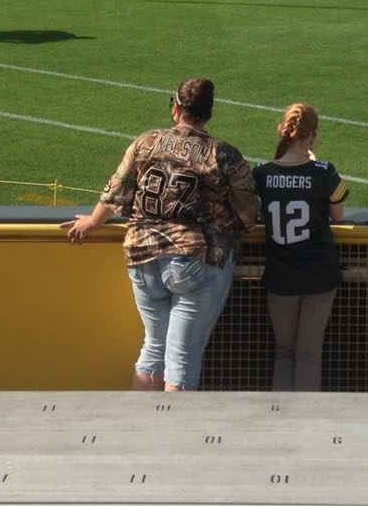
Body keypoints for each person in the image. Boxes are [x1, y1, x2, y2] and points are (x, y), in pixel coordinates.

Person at [62, 78, 259, 392]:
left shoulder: (146, 142)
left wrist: (93, 221)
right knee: (183, 357)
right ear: (208, 112)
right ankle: (172, 438)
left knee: (154, 347)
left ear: (176, 108)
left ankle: (140, 432)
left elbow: (116, 190)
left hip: (141, 254)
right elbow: (249, 214)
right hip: (195, 258)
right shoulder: (224, 155)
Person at [253, 102, 349, 391]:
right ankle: (305, 422)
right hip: (319, 273)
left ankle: (280, 415)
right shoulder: (324, 171)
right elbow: (338, 214)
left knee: (283, 352)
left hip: (281, 275)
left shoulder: (262, 173)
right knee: (308, 354)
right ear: (312, 135)